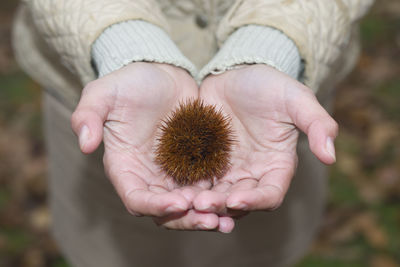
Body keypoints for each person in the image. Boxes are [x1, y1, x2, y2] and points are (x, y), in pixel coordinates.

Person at [13, 0, 374, 266]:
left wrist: (274, 45)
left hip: (280, 100)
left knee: (260, 252)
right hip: (105, 98)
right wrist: (121, 44)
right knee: (113, 252)